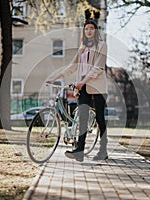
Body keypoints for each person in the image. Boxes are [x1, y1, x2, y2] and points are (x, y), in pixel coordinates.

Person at [48, 20, 108, 162]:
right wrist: (55, 77)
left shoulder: (102, 45)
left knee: (100, 117)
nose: (89, 31)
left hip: (97, 86)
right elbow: (72, 66)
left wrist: (82, 82)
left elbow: (98, 68)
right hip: (82, 87)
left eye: (91, 28)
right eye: (86, 29)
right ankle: (79, 150)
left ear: (96, 31)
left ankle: (103, 150)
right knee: (82, 118)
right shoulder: (82, 47)